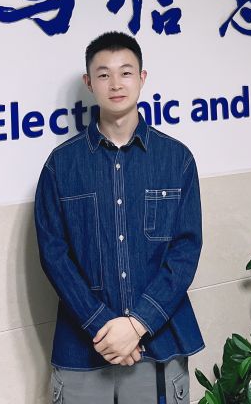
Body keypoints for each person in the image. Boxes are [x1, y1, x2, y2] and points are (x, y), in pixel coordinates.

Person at [34, 31, 204, 403]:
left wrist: (138, 323)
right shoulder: (61, 165)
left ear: (142, 78)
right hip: (82, 348)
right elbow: (54, 255)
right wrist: (104, 327)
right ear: (89, 82)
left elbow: (185, 251)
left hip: (159, 344)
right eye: (104, 74)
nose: (115, 84)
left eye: (126, 72)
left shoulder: (177, 159)